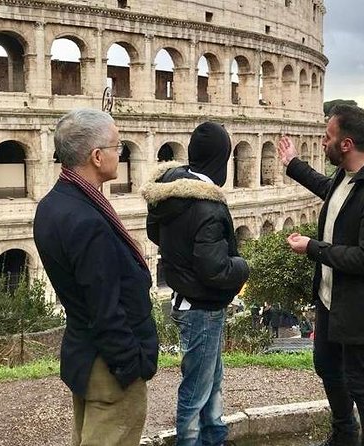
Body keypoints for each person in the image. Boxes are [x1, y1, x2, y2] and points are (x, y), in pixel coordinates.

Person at [278, 104, 364, 446]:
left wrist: (312, 248)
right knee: (327, 367)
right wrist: (293, 165)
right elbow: (330, 192)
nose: (322, 142)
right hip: (330, 298)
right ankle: (344, 434)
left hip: (361, 305)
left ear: (347, 144)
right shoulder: (350, 174)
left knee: (362, 384)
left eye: (328, 137)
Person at [33, 109, 158, 446]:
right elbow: (105, 306)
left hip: (86, 352)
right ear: (97, 156)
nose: (122, 153)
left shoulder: (53, 205)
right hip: (109, 366)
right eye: (118, 147)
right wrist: (131, 366)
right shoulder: (86, 219)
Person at [141, 121, 249, 446]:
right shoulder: (209, 207)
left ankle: (214, 435)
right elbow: (215, 268)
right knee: (196, 388)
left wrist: (180, 257)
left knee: (210, 380)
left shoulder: (169, 192)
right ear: (220, 159)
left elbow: (154, 233)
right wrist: (242, 266)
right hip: (202, 306)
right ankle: (190, 441)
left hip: (186, 299)